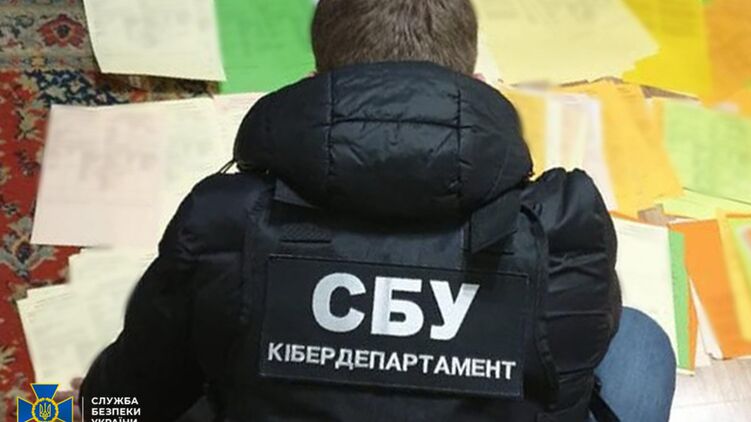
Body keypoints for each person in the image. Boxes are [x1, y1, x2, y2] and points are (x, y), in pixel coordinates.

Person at [78, 0, 675, 421]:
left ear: (317, 80)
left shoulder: (223, 221)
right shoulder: (563, 230)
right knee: (640, 342)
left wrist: (88, 407)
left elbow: (136, 395)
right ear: (473, 81)